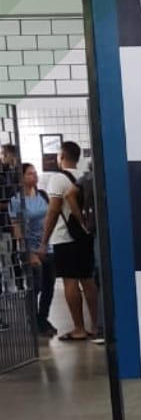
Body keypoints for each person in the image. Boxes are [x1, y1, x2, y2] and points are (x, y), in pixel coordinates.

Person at [39, 141, 99, 342]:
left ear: (61, 156)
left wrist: (44, 240)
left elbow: (54, 210)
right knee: (88, 280)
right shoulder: (83, 175)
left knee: (70, 282)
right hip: (85, 235)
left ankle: (79, 328)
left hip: (65, 237)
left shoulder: (58, 179)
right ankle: (96, 325)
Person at [9, 163, 57, 336]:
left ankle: (42, 319)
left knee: (49, 286)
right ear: (21, 177)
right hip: (31, 249)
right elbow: (17, 228)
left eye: (35, 173)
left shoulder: (42, 195)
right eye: (29, 174)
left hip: (48, 246)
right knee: (36, 286)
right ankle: (33, 319)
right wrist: (27, 252)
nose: (34, 176)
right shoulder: (16, 201)